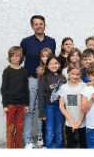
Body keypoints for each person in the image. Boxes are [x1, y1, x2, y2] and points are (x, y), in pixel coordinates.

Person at [20, 15, 56, 148]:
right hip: (32, 80)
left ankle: (41, 137)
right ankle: (28, 140)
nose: (39, 26)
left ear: (45, 25)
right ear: (32, 26)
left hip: (46, 81)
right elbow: (20, 59)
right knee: (30, 110)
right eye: (36, 24)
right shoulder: (26, 42)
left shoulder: (51, 41)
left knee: (43, 110)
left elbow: (52, 62)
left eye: (41, 24)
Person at [1, 46, 29, 149]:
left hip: (21, 104)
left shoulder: (24, 72)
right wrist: (5, 105)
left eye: (17, 56)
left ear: (21, 57)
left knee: (20, 128)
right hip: (10, 104)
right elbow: (3, 89)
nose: (14, 58)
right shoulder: (7, 71)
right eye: (12, 56)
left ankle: (18, 148)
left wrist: (26, 104)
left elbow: (26, 89)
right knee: (10, 128)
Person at [36, 55, 65, 148]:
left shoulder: (63, 78)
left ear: (59, 65)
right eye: (51, 64)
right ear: (47, 66)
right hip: (49, 107)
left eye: (55, 63)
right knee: (49, 130)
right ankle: (49, 148)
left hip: (60, 107)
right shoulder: (44, 78)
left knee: (59, 130)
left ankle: (58, 148)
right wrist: (42, 112)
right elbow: (40, 96)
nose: (53, 65)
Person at [59, 63, 87, 149]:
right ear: (68, 73)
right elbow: (61, 106)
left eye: (78, 74)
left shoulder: (84, 86)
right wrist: (71, 121)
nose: (75, 76)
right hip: (69, 122)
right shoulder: (64, 87)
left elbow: (85, 107)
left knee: (83, 145)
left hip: (82, 122)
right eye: (73, 74)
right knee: (70, 145)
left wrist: (79, 122)